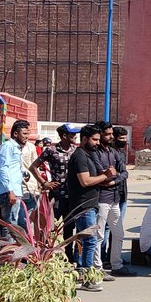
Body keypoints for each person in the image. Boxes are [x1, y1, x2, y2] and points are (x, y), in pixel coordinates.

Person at [67, 124, 119, 291]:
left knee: (85, 241)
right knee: (90, 240)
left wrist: (107, 175)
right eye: (94, 139)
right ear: (84, 139)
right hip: (83, 205)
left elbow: (98, 176)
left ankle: (82, 274)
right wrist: (105, 176)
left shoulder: (89, 155)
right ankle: (89, 279)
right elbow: (86, 181)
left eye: (98, 139)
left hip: (91, 204)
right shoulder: (79, 156)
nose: (98, 143)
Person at [94, 122, 134, 278]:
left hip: (115, 197)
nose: (111, 137)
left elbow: (124, 173)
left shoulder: (113, 152)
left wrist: (113, 179)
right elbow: (99, 173)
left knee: (118, 233)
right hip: (101, 198)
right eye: (108, 134)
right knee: (99, 235)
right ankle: (97, 268)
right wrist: (109, 176)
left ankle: (117, 264)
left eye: (112, 134)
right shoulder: (95, 153)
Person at [0, 119, 33, 233]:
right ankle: (9, 250)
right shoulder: (7, 146)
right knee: (10, 226)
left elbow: (12, 168)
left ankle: (17, 249)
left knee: (20, 225)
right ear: (15, 134)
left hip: (15, 192)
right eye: (24, 134)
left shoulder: (16, 148)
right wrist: (9, 190)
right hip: (9, 193)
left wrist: (23, 174)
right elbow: (3, 170)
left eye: (28, 134)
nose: (27, 137)